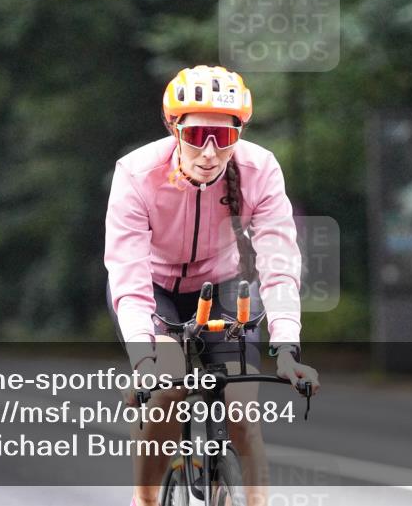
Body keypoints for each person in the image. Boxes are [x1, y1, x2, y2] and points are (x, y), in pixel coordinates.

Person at [105, 64, 320, 506]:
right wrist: (142, 358)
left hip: (220, 286)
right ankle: (145, 499)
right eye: (197, 134)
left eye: (222, 137)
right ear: (174, 128)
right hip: (154, 289)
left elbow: (279, 263)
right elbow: (127, 276)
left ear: (238, 134)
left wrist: (286, 349)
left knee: (242, 413)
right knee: (167, 390)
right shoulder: (136, 173)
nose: (208, 152)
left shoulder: (260, 169)